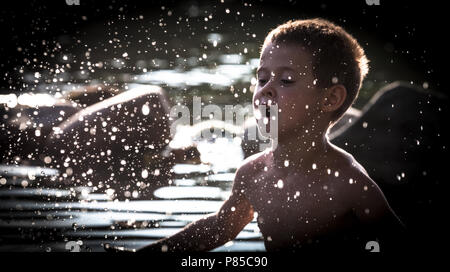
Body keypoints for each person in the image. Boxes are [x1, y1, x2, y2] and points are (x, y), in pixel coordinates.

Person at [106, 18, 406, 252]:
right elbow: (220, 228)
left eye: (286, 80)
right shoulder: (253, 173)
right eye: (262, 78)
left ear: (328, 100)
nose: (266, 89)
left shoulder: (348, 182)